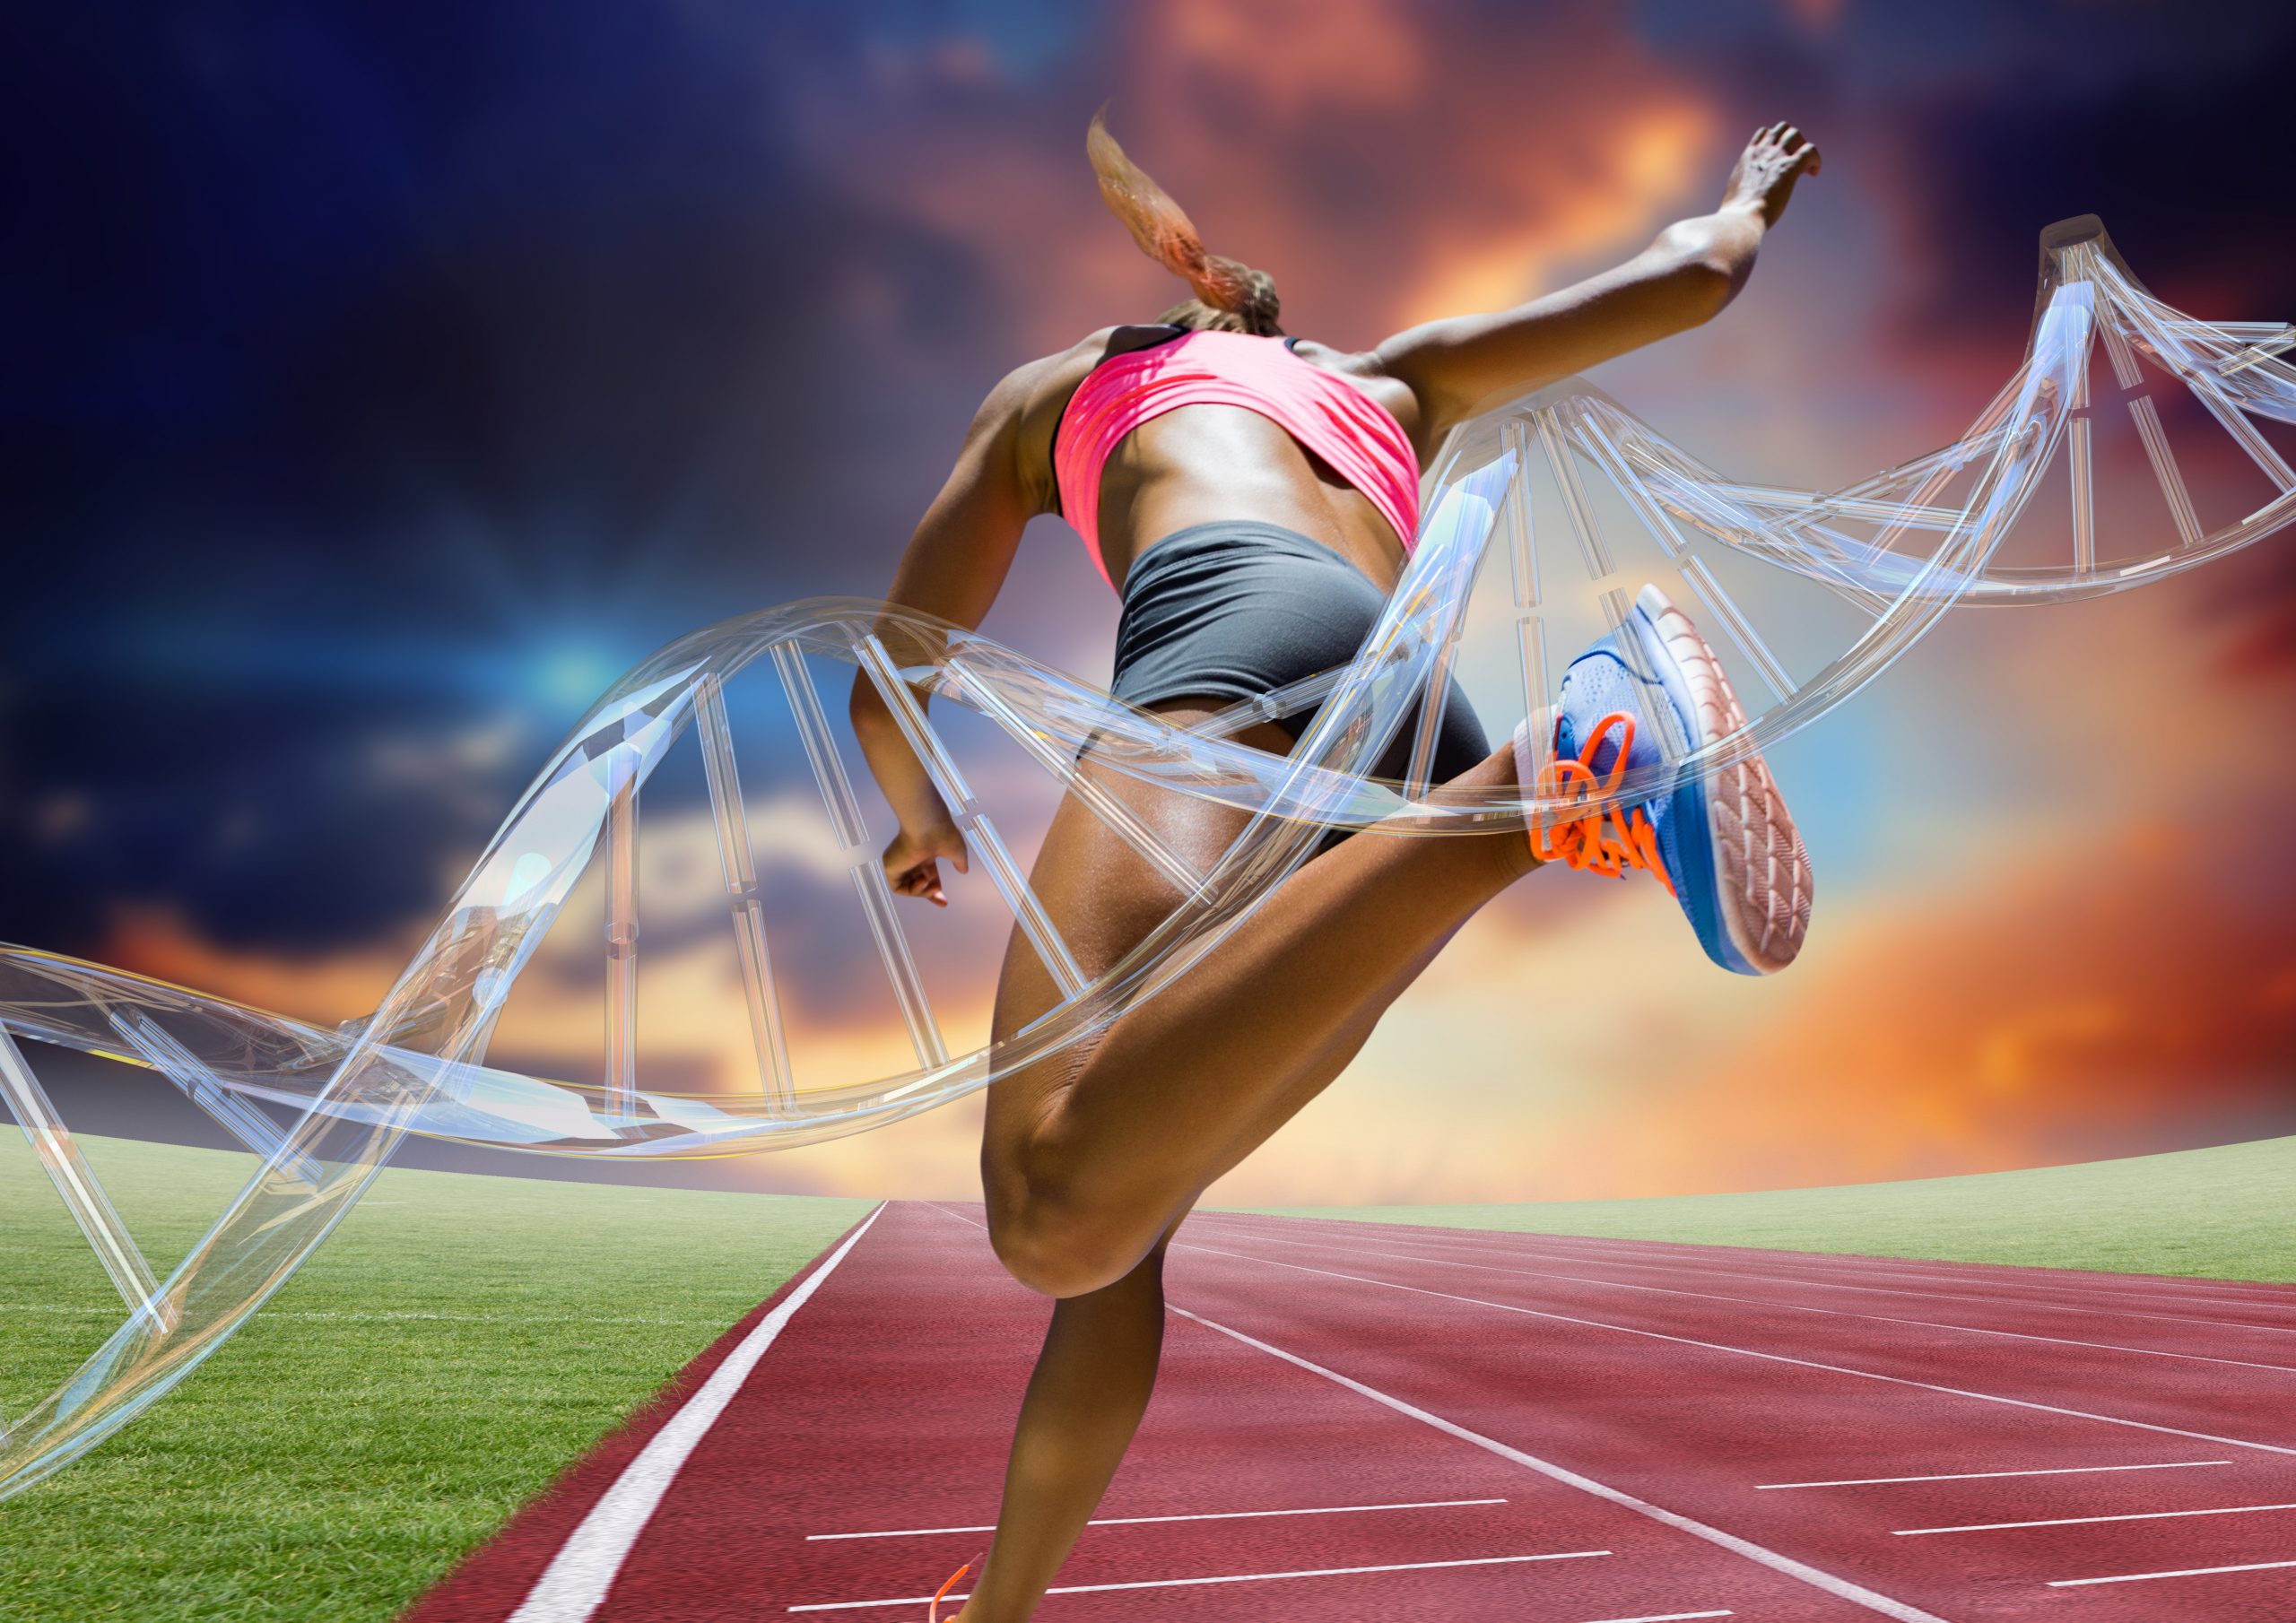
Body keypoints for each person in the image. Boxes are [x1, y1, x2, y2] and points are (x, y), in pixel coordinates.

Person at [848, 108, 1821, 1622]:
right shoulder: (1395, 382)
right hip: (1403, 717)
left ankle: (1548, 772)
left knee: (1051, 1208)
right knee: (1120, 1214)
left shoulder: (1073, 385)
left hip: (1230, 648)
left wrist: (913, 820)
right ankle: (996, 1614)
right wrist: (1752, 195)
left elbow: (894, 665)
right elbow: (1694, 277)